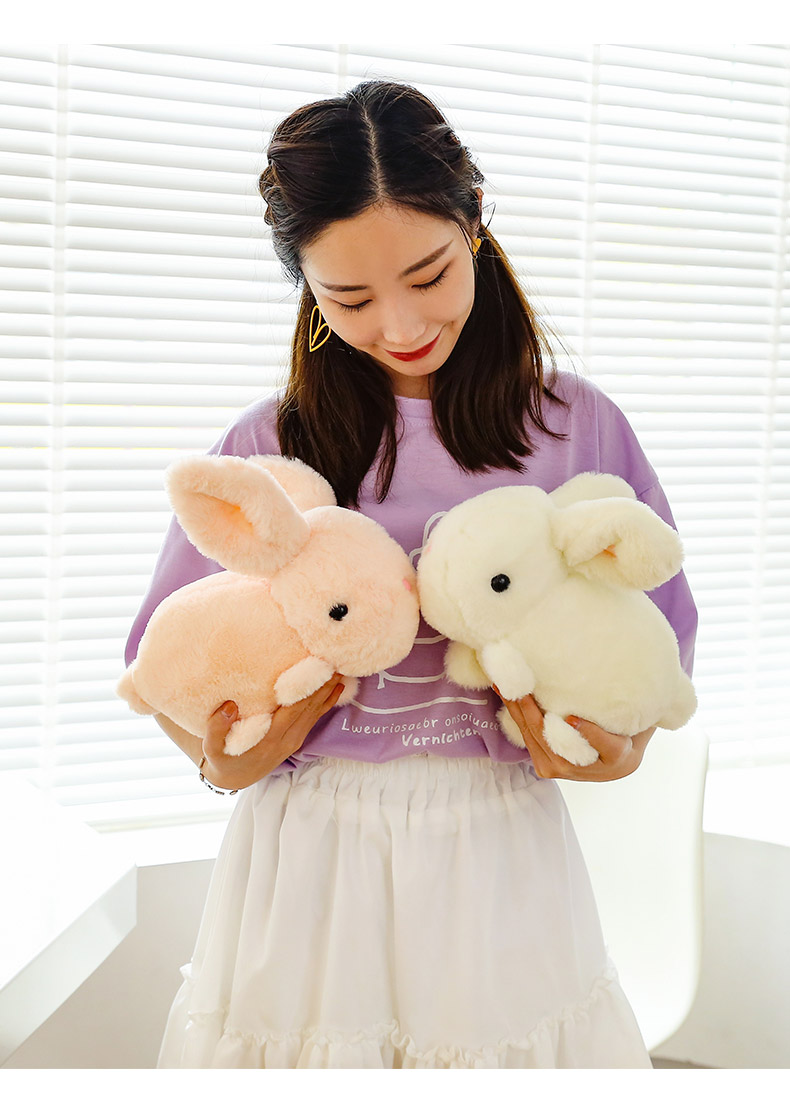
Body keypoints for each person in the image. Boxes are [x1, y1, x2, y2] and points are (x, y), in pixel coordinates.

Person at [125, 79, 698, 1069]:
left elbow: (656, 634)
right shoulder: (270, 444)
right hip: (311, 853)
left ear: (473, 221)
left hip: (498, 844)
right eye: (348, 298)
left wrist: (621, 749)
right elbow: (166, 659)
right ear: (305, 288)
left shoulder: (575, 425)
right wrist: (223, 761)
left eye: (428, 275)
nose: (398, 324)